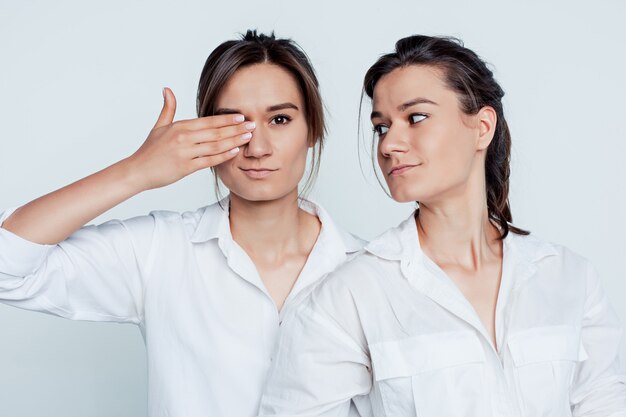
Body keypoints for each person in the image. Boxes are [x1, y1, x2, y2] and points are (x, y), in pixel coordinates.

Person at [0, 30, 364, 417]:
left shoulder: (365, 268)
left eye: (279, 119)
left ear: (313, 130)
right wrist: (136, 172)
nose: (258, 148)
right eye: (234, 123)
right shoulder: (161, 250)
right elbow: (8, 268)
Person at [258, 35, 626, 417]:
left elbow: (604, 404)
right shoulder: (347, 298)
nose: (388, 145)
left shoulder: (569, 278)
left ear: (482, 127)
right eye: (381, 127)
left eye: (415, 118)